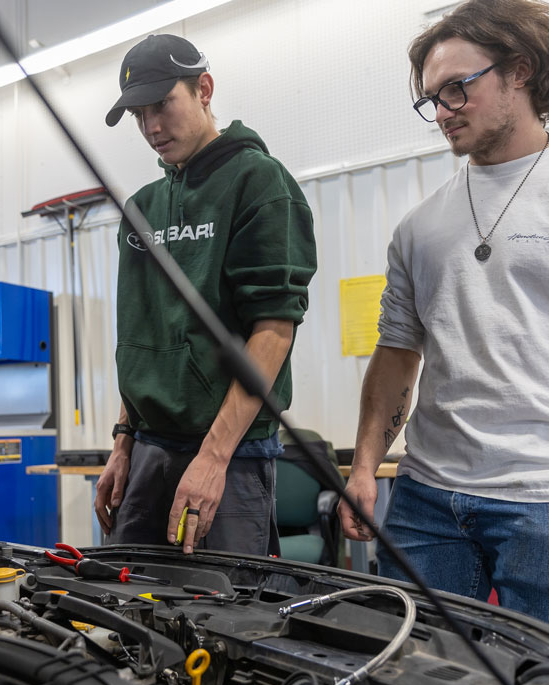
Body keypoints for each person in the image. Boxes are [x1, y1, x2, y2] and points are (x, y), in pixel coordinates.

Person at [338, 0, 549, 621]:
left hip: (540, 495)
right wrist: (365, 467)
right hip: (427, 499)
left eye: (456, 89)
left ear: (520, 71)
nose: (441, 112)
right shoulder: (418, 227)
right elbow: (399, 353)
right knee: (422, 675)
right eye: (430, 99)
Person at [95, 34, 317, 556]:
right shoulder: (142, 208)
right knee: (130, 607)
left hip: (230, 452)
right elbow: (141, 333)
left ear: (204, 89)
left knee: (223, 615)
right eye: (138, 115)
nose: (150, 127)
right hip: (148, 448)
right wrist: (122, 443)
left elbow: (273, 330)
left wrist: (214, 458)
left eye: (162, 105)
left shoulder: (259, 183)